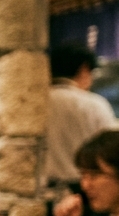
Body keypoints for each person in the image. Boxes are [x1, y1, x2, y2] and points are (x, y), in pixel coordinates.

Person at [45, 43, 115, 188]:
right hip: (86, 188)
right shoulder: (94, 105)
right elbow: (114, 151)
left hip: (43, 188)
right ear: (84, 69)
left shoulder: (36, 104)